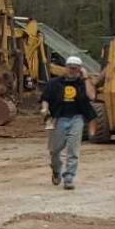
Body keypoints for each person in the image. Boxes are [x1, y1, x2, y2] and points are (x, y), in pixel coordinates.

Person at [40, 55, 95, 189]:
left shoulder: (83, 83)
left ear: (80, 70)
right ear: (66, 68)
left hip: (77, 118)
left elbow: (92, 96)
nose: (72, 71)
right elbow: (45, 97)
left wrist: (86, 77)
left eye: (76, 69)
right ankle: (56, 170)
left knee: (73, 150)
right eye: (70, 68)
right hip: (58, 118)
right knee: (54, 150)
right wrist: (44, 109)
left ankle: (69, 177)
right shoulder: (54, 83)